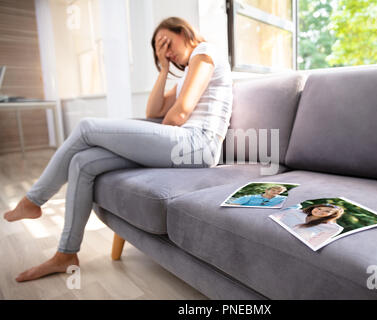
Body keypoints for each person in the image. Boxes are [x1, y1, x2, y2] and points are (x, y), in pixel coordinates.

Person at [2, 17, 233, 282]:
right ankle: (66, 254)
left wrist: (157, 136)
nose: (167, 52)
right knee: (82, 162)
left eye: (167, 43)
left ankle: (33, 200)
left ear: (184, 31)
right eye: (160, 51)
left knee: (87, 127)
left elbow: (180, 113)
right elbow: (154, 111)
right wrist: (163, 68)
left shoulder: (205, 53)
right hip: (185, 144)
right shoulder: (185, 73)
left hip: (198, 145)